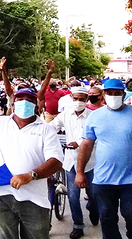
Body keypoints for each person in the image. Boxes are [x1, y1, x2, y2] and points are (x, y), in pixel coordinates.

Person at [0, 87, 64, 239]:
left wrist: (31, 175)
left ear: (36, 106)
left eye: (29, 100)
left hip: (34, 199)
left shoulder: (46, 129)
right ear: (13, 104)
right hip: (1, 195)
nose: (24, 103)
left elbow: (56, 161)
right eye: (20, 99)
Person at [76, 78, 132, 239]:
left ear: (123, 94)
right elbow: (86, 145)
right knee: (107, 219)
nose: (113, 96)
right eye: (110, 93)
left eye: (117, 93)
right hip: (104, 179)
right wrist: (80, 172)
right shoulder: (95, 117)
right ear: (104, 95)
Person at [49, 86, 98, 239]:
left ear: (87, 100)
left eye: (81, 99)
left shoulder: (94, 116)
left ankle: (93, 208)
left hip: (90, 162)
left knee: (94, 194)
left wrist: (78, 142)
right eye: (75, 99)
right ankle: (78, 225)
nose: (78, 102)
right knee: (72, 196)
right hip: (70, 161)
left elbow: (95, 137)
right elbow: (51, 128)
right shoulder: (65, 115)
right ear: (71, 99)